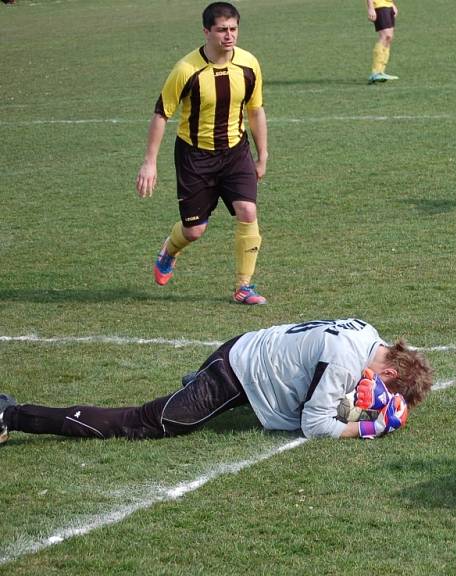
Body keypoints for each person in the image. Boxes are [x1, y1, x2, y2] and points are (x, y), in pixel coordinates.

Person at [0, 319, 432, 444]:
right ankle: (12, 414)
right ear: (389, 373)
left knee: (190, 403)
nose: (380, 397)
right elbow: (314, 424)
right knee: (149, 423)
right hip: (237, 373)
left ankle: (197, 383)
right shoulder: (343, 362)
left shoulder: (368, 335)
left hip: (247, 348)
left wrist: (359, 405)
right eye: (387, 391)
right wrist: (369, 426)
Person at [135, 2, 269, 304]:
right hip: (195, 157)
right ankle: (169, 250)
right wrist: (149, 163)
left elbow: (256, 110)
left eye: (233, 29)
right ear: (206, 31)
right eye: (222, 29)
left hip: (235, 152)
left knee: (248, 211)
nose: (229, 35)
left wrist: (263, 155)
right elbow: (161, 114)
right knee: (194, 230)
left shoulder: (249, 64)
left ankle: (243, 287)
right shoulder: (186, 70)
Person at [366, 0, 399, 84]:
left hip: (388, 5)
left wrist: (392, 4)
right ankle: (375, 72)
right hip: (379, 5)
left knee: (389, 38)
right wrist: (370, 7)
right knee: (385, 36)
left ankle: (381, 71)